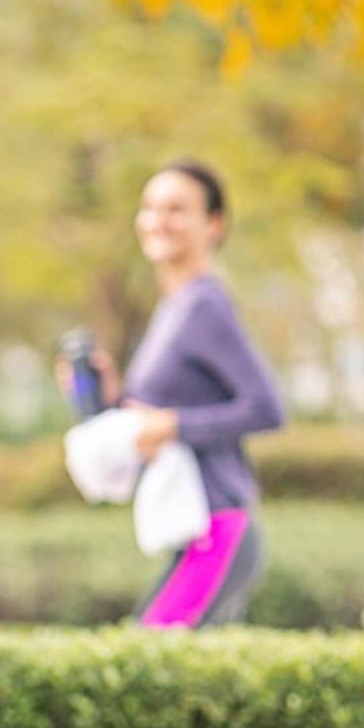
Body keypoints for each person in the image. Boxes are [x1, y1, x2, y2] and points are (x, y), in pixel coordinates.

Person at [60, 159, 285, 627]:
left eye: (177, 209)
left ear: (214, 225)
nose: (159, 220)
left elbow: (266, 407)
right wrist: (110, 401)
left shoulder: (205, 304)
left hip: (220, 524)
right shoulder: (174, 307)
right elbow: (155, 423)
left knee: (144, 668)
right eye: (150, 207)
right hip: (191, 526)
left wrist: (176, 425)